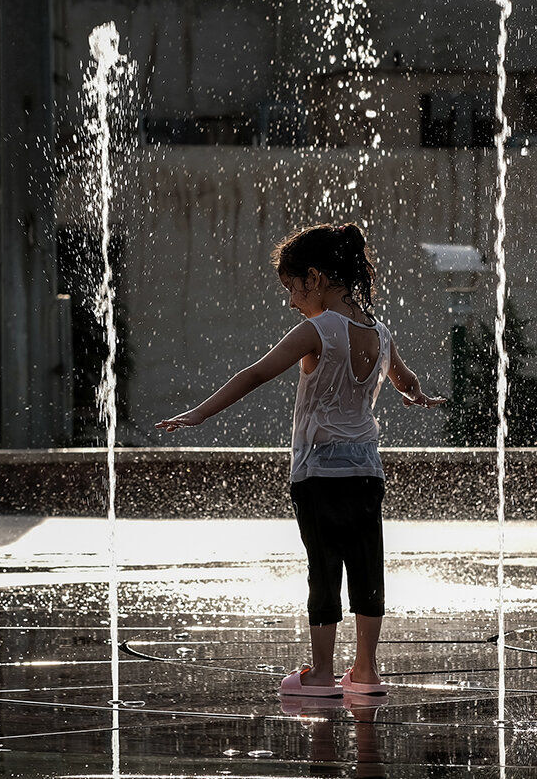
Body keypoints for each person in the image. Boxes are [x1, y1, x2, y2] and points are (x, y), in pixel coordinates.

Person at [155, 222, 445, 698]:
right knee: (368, 564)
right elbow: (404, 379)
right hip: (368, 471)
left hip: (318, 474)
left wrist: (197, 415)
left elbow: (255, 375)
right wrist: (419, 397)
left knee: (324, 567)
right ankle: (368, 672)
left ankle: (323, 674)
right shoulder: (378, 330)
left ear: (314, 278)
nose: (291, 300)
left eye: (292, 287)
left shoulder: (319, 330)